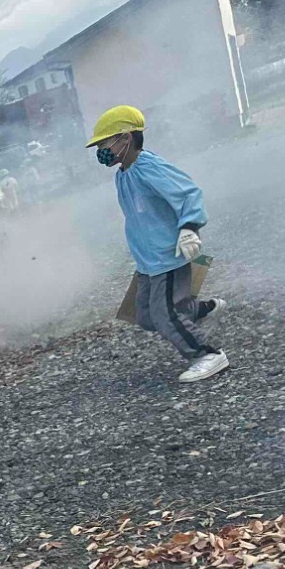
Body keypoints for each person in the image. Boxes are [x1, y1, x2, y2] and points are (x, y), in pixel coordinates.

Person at [86, 103, 228, 384]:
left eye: (105, 144)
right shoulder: (123, 174)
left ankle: (207, 355)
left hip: (167, 257)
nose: (102, 151)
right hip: (148, 262)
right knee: (145, 316)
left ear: (125, 138)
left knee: (164, 315)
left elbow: (188, 193)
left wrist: (189, 228)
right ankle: (201, 310)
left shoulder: (149, 167)